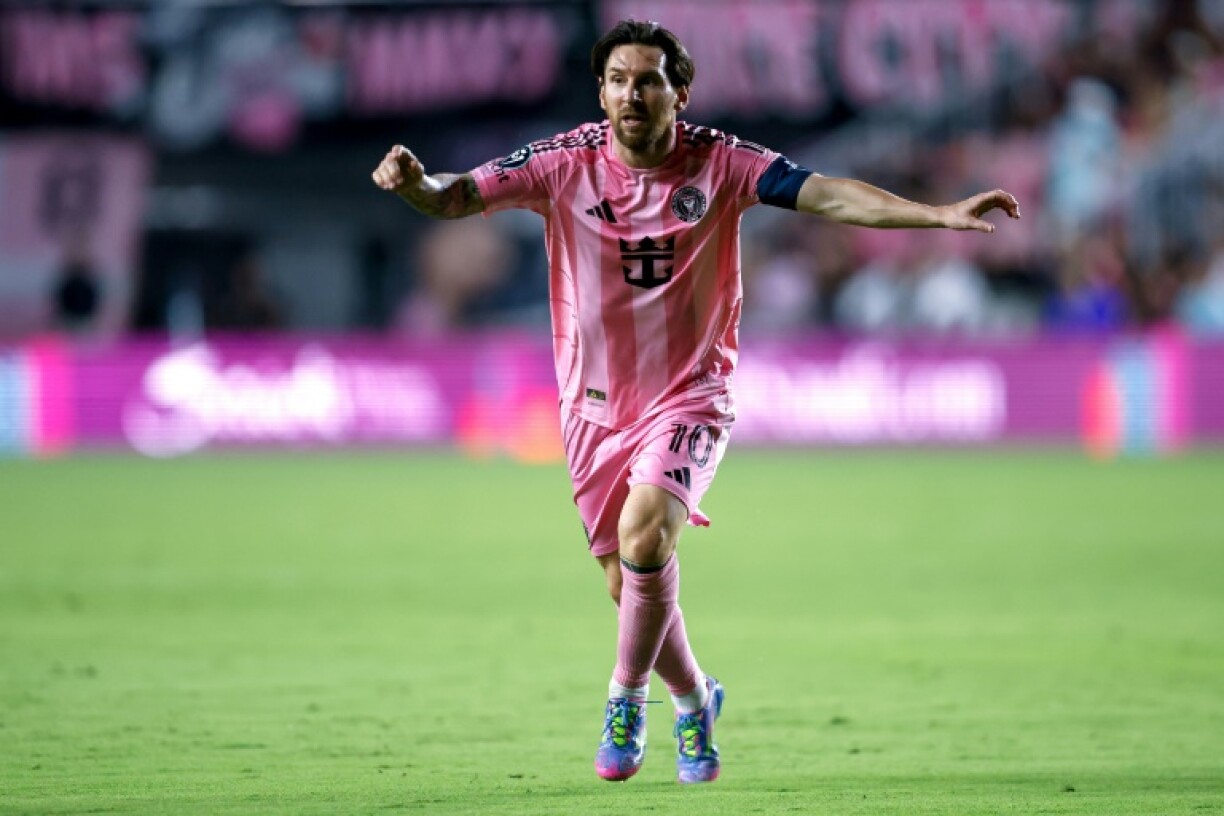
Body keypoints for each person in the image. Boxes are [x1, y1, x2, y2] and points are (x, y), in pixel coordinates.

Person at [372, 19, 1020, 785]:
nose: (630, 94)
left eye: (647, 80)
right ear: (602, 92)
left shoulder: (721, 163)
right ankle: (694, 699)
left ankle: (625, 698)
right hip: (592, 406)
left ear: (679, 92)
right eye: (617, 80)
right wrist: (418, 185)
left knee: (646, 538)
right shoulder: (561, 164)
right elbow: (458, 199)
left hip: (691, 395)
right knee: (629, 585)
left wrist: (936, 215)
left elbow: (830, 196)